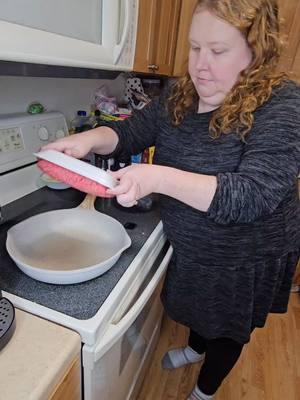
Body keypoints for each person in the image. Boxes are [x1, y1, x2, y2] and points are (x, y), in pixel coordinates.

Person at [42, 0, 300, 398]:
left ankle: (204, 391)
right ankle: (196, 348)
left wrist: (156, 177)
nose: (199, 65)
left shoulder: (282, 103)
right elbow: (130, 134)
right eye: (195, 48)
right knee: (199, 307)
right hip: (193, 241)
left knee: (228, 328)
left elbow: (252, 194)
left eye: (217, 51)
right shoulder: (181, 93)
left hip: (246, 253)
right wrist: (87, 139)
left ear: (257, 51)